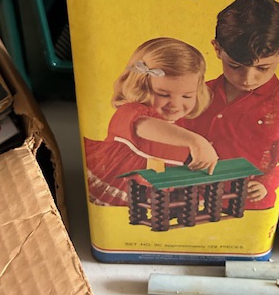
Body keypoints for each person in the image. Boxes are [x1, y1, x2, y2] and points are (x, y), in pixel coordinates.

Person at [180, 0, 279, 210]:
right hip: (197, 203)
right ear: (217, 49)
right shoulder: (196, 94)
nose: (247, 79)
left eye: (263, 68)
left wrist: (266, 183)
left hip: (250, 205)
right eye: (235, 66)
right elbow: (177, 142)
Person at [84, 37, 217, 206]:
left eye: (187, 96)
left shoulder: (180, 126)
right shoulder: (131, 112)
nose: (175, 105)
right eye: (163, 94)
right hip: (122, 182)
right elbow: (145, 126)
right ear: (141, 86)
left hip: (159, 187)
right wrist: (196, 142)